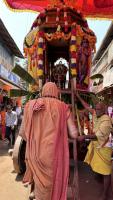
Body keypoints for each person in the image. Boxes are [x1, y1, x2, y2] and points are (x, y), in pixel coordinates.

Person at [19, 82, 78, 200]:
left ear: (43, 91)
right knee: (52, 185)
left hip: (35, 155)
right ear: (56, 92)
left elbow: (23, 133)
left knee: (41, 186)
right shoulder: (63, 107)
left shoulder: (30, 105)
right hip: (53, 156)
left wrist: (36, 138)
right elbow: (74, 134)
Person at [76, 93, 113, 200]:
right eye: (96, 109)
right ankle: (98, 175)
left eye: (98, 109)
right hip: (98, 146)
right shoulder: (98, 114)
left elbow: (97, 137)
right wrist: (78, 97)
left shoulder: (106, 121)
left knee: (106, 172)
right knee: (98, 166)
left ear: (104, 110)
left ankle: (105, 194)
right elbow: (88, 107)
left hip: (104, 147)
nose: (95, 111)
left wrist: (84, 137)